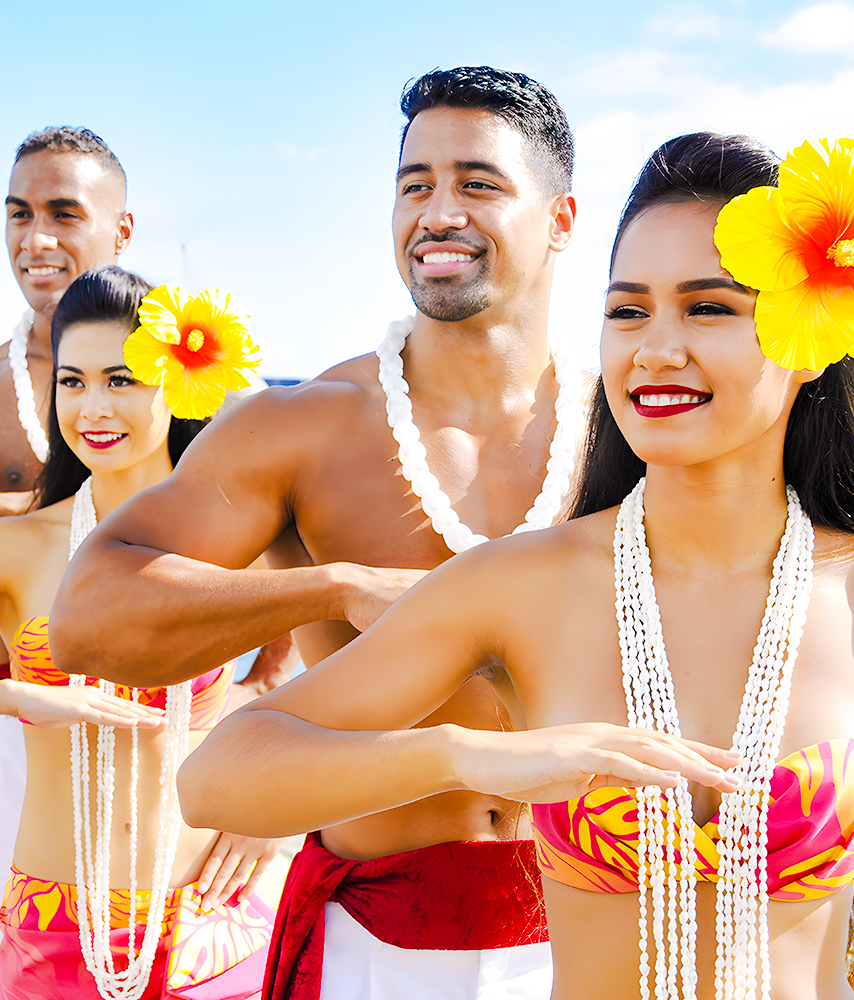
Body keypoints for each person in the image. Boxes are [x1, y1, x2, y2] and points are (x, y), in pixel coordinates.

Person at [176, 133, 854, 999]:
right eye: (626, 310)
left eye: (707, 308)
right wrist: (468, 755)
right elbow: (219, 778)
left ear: (808, 336)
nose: (655, 348)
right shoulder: (520, 585)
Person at [52, 67, 588, 998]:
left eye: (479, 184)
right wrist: (333, 586)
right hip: (376, 935)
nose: (438, 212)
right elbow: (89, 617)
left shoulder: (627, 428)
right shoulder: (308, 424)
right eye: (414, 184)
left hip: (593, 921)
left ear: (561, 220)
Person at [0, 265, 286, 999]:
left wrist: (284, 815)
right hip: (56, 925)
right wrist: (11, 698)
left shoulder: (240, 535)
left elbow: (357, 669)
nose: (94, 406)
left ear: (177, 381)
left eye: (122, 380)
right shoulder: (14, 546)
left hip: (214, 921)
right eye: (73, 382)